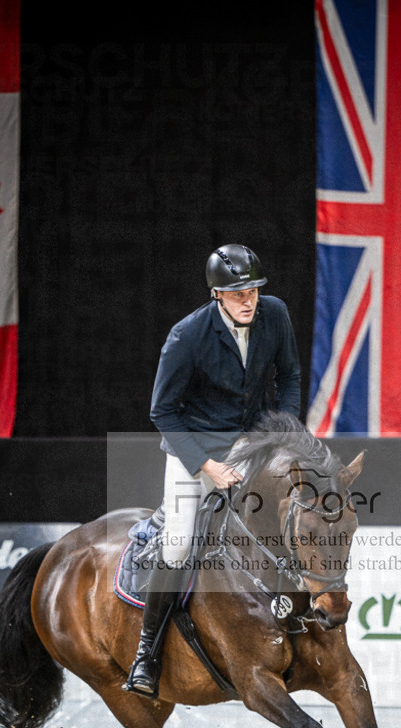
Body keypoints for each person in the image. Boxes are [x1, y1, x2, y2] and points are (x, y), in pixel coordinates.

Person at [124, 244, 302, 696]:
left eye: (254, 291)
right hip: (195, 447)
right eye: (238, 293)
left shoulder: (275, 314)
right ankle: (147, 654)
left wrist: (286, 433)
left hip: (255, 442)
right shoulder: (187, 336)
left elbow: (291, 378)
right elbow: (162, 412)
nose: (249, 301)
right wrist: (209, 467)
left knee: (293, 515)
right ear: (217, 294)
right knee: (181, 544)